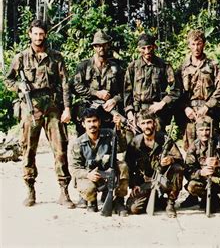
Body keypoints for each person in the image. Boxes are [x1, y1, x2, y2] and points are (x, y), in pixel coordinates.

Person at [5, 19, 75, 208]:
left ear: (46, 34)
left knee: (60, 149)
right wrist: (20, 86)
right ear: (30, 35)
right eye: (35, 34)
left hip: (52, 106)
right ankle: (30, 190)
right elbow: (8, 79)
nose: (38, 37)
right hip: (30, 107)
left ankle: (64, 191)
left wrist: (67, 108)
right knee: (28, 150)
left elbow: (65, 84)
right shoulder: (21, 57)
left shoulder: (55, 57)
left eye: (41, 34)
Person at [69, 107, 129, 215]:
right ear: (83, 124)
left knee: (123, 166)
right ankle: (91, 201)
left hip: (107, 173)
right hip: (90, 176)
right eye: (89, 121)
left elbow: (122, 148)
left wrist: (119, 129)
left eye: (94, 121)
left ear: (99, 122)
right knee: (88, 189)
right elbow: (74, 168)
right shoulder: (78, 143)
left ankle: (119, 201)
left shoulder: (109, 134)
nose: (92, 124)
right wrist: (88, 174)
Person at [126, 111, 183, 218]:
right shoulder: (134, 143)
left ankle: (170, 203)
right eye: (143, 123)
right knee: (134, 208)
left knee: (177, 168)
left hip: (163, 180)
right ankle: (159, 201)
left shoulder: (165, 139)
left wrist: (171, 159)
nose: (146, 126)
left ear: (154, 123)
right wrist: (134, 184)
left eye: (149, 122)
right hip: (145, 181)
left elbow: (180, 160)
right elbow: (129, 166)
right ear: (138, 124)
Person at [177, 29, 220, 150]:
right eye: (193, 44)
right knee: (190, 148)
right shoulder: (183, 67)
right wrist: (185, 108)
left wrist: (208, 106)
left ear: (203, 44)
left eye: (199, 44)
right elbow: (177, 91)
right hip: (190, 114)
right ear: (189, 45)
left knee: (211, 146)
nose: (196, 48)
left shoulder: (212, 65)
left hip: (208, 112)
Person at [124, 33, 181, 132]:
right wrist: (130, 114)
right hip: (138, 113)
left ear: (154, 47)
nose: (147, 51)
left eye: (149, 47)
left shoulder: (164, 66)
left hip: (157, 113)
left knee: (158, 143)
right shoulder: (133, 67)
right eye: (143, 48)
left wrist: (162, 103)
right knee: (136, 143)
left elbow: (176, 89)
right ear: (139, 49)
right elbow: (127, 92)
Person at [184, 117, 220, 217]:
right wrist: (201, 172)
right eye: (201, 130)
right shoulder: (193, 147)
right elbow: (188, 170)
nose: (204, 133)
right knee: (192, 186)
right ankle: (210, 198)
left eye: (207, 129)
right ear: (196, 131)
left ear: (212, 130)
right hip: (206, 181)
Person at [72, 30, 124, 133]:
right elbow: (76, 86)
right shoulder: (84, 66)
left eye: (104, 45)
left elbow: (125, 90)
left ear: (108, 45)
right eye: (98, 45)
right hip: (89, 112)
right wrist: (96, 93)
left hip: (108, 113)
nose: (101, 48)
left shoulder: (115, 67)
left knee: (108, 143)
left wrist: (114, 100)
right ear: (94, 47)